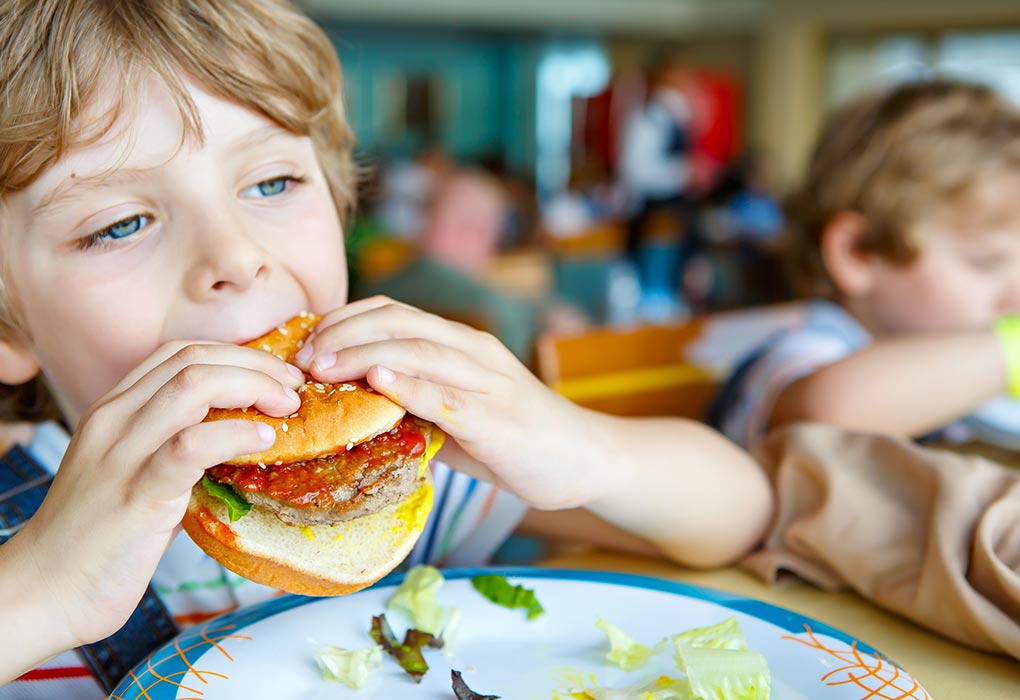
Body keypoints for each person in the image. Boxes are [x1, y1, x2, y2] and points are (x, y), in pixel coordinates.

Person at [0, 0, 772, 693]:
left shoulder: (396, 480)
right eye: (118, 225)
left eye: (270, 184)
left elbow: (741, 511)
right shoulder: (16, 543)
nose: (234, 258)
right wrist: (37, 591)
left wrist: (578, 446)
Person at [710, 80, 1020, 450]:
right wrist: (1010, 351)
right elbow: (824, 420)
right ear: (858, 253)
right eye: (986, 262)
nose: (1015, 292)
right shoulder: (806, 353)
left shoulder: (970, 372)